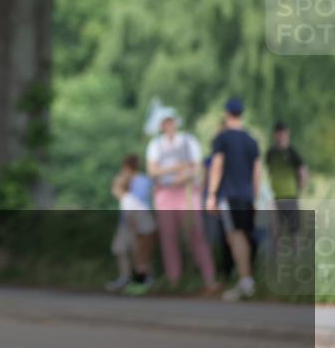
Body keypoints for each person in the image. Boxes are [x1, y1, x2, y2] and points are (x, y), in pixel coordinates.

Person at [145, 108, 218, 294]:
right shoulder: (155, 145)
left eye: (171, 121)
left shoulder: (189, 141)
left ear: (176, 122)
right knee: (169, 238)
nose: (168, 125)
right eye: (165, 122)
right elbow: (152, 171)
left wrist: (171, 173)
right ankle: (174, 281)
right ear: (161, 125)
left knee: (196, 234)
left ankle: (209, 280)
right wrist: (178, 168)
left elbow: (197, 169)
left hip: (187, 194)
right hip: (165, 196)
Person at [206, 97, 261, 301]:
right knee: (240, 236)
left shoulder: (222, 138)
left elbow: (217, 166)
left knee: (235, 236)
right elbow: (257, 173)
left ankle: (246, 281)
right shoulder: (251, 140)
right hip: (246, 196)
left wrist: (211, 195)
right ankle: (245, 279)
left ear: (227, 113)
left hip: (229, 194)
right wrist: (254, 198)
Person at [106, 154, 156, 294]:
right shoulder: (128, 196)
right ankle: (135, 280)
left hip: (140, 226)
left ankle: (144, 281)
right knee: (134, 253)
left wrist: (135, 233)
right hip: (141, 225)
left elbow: (133, 217)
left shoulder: (129, 198)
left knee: (140, 256)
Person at [265, 122, 307, 236]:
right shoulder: (271, 153)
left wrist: (301, 191)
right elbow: (268, 172)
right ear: (275, 135)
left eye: (283, 133)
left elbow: (302, 171)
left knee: (294, 229)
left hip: (291, 196)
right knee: (275, 229)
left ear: (287, 134)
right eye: (279, 133)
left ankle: (296, 253)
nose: (281, 136)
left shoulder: (293, 153)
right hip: (275, 197)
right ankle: (276, 253)